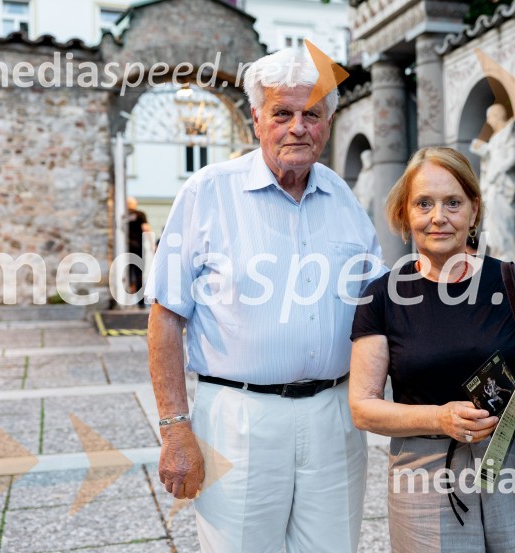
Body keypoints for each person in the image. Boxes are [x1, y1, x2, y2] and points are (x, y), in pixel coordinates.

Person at [146, 48, 383, 553]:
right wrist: (175, 430)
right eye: (283, 113)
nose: (298, 126)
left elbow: (381, 308)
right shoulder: (208, 193)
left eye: (311, 114)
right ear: (257, 119)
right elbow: (165, 318)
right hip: (238, 417)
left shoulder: (343, 198)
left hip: (335, 417)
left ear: (328, 122)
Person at [349, 147, 515, 551]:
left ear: (474, 208)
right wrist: (440, 417)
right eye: (424, 204)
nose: (438, 217)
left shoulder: (512, 282)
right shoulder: (381, 297)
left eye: (452, 202)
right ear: (404, 213)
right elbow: (363, 406)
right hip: (424, 472)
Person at [470, 103, 515, 261]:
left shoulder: (507, 132)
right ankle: (498, 253)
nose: (489, 122)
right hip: (491, 185)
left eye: (490, 118)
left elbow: (511, 157)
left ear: (497, 116)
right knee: (492, 223)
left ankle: (506, 253)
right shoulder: (496, 137)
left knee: (502, 221)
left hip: (501, 184)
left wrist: (496, 171)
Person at [127, 196, 152, 306]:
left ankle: (126, 300)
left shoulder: (122, 215)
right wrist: (152, 245)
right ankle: (140, 302)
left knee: (126, 273)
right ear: (135, 204)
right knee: (138, 274)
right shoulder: (140, 214)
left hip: (125, 249)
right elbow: (146, 229)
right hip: (138, 248)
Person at [352, 149, 374, 217]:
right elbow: (357, 188)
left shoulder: (374, 173)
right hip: (362, 201)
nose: (365, 161)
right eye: (364, 159)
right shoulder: (362, 174)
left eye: (367, 158)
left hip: (370, 203)